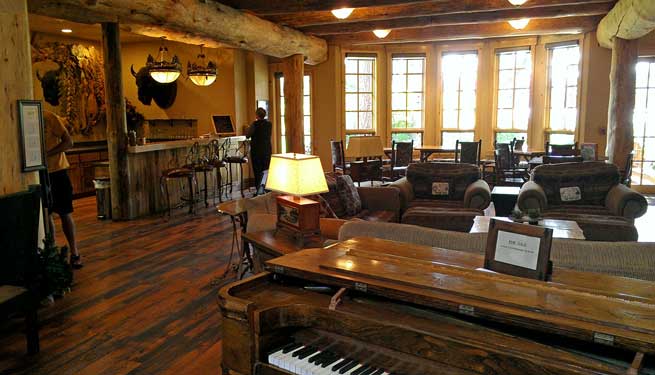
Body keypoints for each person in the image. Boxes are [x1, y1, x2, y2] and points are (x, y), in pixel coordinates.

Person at [44, 110, 82, 269]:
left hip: (58, 171)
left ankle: (75, 253)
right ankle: (52, 254)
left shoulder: (49, 117)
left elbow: (68, 142)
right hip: (40, 173)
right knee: (47, 215)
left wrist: (46, 154)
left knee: (65, 213)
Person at [245, 108, 273, 196]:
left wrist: (248, 128)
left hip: (256, 150)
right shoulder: (269, 124)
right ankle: (266, 189)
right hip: (267, 150)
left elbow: (247, 135)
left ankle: (259, 191)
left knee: (257, 171)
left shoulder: (254, 124)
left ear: (256, 115)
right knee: (265, 170)